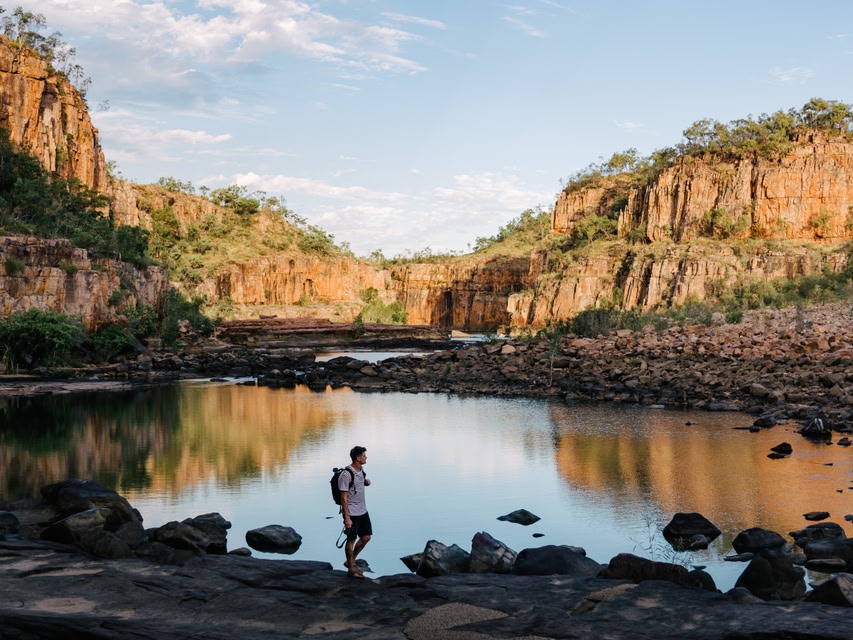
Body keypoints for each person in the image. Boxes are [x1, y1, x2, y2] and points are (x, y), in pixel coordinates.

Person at [339, 445, 371, 578]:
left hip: (363, 511)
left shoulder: (361, 470)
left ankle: (350, 561)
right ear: (358, 458)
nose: (366, 457)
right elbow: (344, 497)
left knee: (366, 537)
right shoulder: (346, 474)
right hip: (352, 512)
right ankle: (351, 569)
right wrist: (347, 517)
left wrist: (365, 482)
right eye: (364, 455)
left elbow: (357, 485)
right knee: (351, 539)